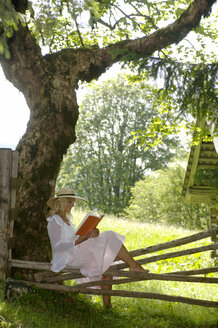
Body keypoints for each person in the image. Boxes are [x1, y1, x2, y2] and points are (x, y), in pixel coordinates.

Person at [46, 188, 149, 307]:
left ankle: (107, 307)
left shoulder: (67, 220)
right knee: (109, 235)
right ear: (62, 202)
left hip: (76, 253)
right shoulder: (54, 221)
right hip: (67, 258)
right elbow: (57, 247)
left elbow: (73, 239)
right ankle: (134, 266)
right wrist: (81, 239)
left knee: (108, 265)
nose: (73, 205)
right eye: (70, 202)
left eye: (73, 202)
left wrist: (91, 234)